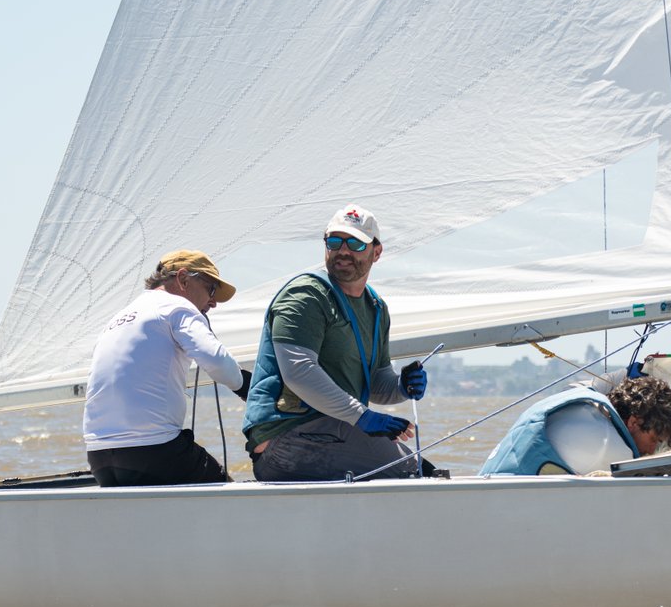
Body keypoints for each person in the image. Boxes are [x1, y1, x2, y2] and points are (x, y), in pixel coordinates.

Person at [242, 204, 429, 481]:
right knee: (416, 475)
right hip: (286, 438)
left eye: (355, 242)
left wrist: (402, 386)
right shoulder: (305, 296)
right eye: (334, 241)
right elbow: (299, 372)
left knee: (425, 472)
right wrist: (363, 417)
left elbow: (376, 381)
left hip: (334, 431)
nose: (343, 250)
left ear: (376, 252)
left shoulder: (376, 308)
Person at [82, 250, 251, 487]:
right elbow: (216, 360)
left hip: (99, 457)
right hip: (154, 452)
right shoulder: (176, 307)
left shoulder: (120, 316)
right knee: (229, 500)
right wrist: (250, 388)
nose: (213, 302)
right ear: (183, 279)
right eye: (211, 289)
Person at [478, 375, 671, 476]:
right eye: (653, 440)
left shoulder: (584, 404)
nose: (652, 451)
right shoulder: (608, 446)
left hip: (483, 492)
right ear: (634, 422)